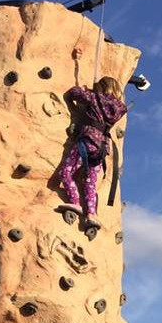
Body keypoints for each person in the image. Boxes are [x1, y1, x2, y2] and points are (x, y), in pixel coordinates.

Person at [59, 77, 127, 230]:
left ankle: (75, 201)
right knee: (90, 181)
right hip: (102, 147)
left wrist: (86, 91)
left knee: (66, 172)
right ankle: (91, 214)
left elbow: (73, 92)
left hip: (88, 139)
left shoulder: (94, 98)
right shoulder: (119, 108)